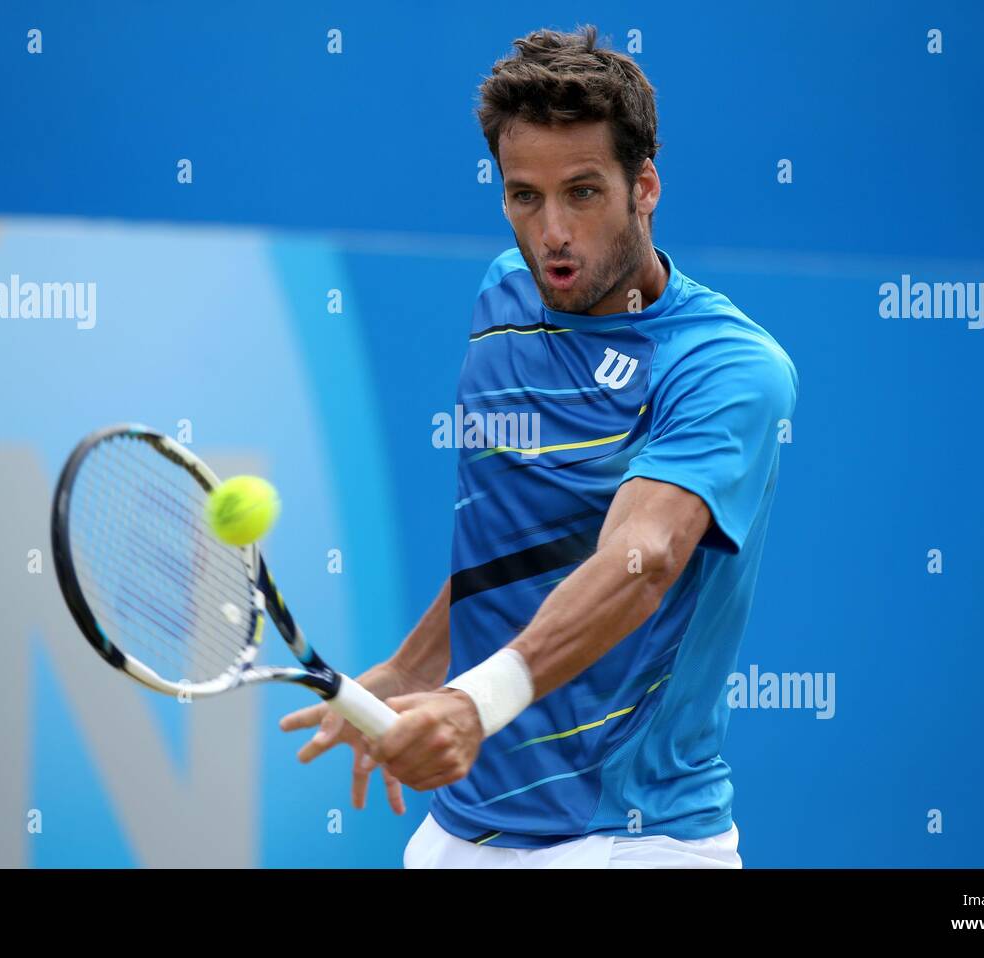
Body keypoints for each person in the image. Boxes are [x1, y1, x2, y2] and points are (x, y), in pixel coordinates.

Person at [280, 24, 798, 869]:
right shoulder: (503, 298)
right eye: (524, 196)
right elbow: (516, 535)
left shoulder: (729, 367)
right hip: (461, 833)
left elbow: (645, 557)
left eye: (584, 193)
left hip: (638, 840)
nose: (552, 231)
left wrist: (474, 704)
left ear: (645, 188)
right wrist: (416, 671)